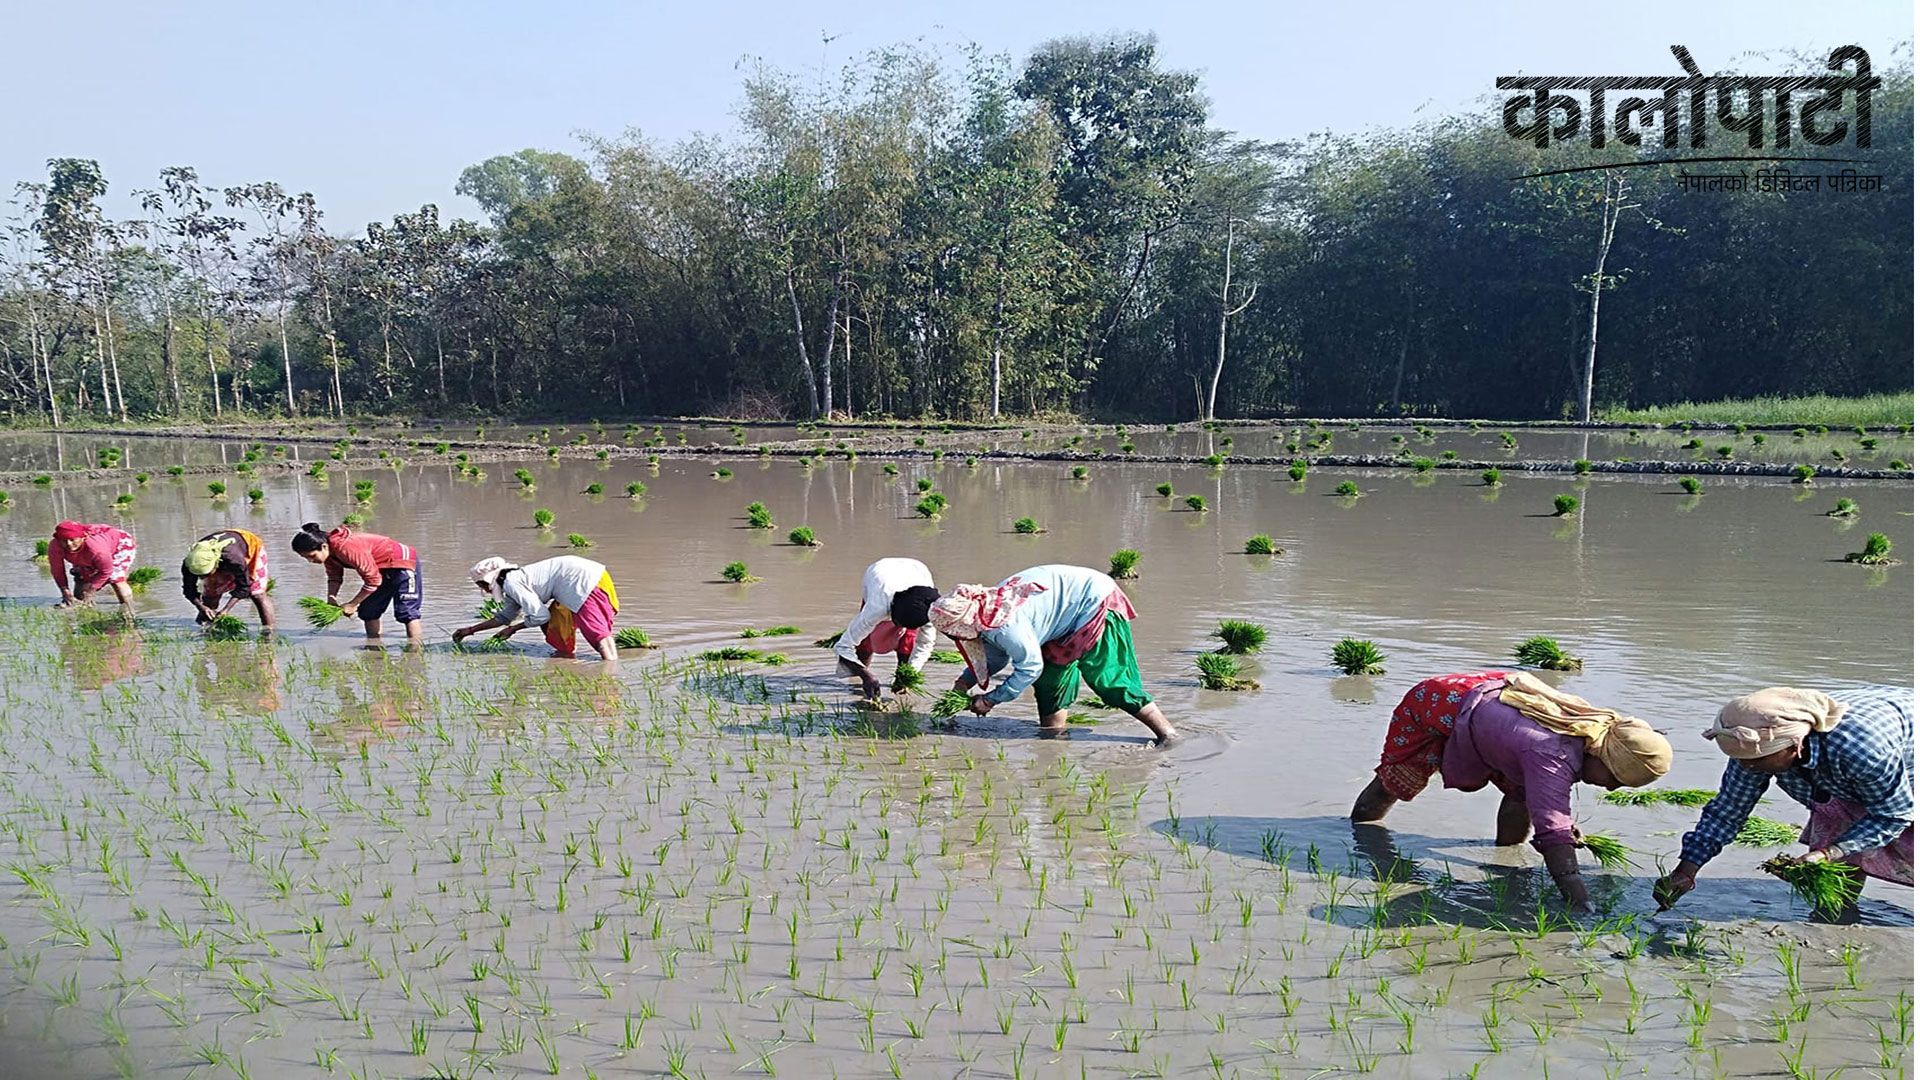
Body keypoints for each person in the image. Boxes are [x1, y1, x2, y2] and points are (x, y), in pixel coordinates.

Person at [1350, 670, 1673, 911]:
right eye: (1615, 778)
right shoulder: (1552, 754)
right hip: (1437, 703)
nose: (1612, 787)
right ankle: (1362, 837)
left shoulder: (1594, 729)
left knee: (1522, 793)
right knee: (1398, 779)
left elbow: (1545, 803)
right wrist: (1578, 899)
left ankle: (1505, 861)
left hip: (1496, 706)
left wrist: (1555, 827)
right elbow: (1552, 830)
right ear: (1602, 755)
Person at [1654, 685, 1914, 914]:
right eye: (1740, 761)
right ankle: (1836, 912)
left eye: (1756, 761)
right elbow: (1728, 810)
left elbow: (1893, 814)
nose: (1746, 768)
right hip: (1858, 766)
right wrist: (1686, 870)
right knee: (1838, 821)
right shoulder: (1753, 751)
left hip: (1905, 753)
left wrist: (1828, 853)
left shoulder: (1862, 750)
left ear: (1795, 746)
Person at [927, 564, 1176, 746]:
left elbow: (1029, 667)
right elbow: (995, 659)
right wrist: (963, 684)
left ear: (964, 623)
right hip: (1063, 613)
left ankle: (1168, 734)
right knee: (1049, 679)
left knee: (1109, 680)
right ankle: (1053, 739)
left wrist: (991, 699)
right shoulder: (984, 614)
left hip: (1092, 601)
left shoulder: (1003, 625)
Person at [454, 555, 621, 662]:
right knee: (558, 626)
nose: (485, 590)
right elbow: (504, 617)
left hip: (581, 581)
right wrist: (470, 630)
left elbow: (541, 616)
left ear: (489, 580)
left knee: (594, 631)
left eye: (482, 585)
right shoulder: (512, 580)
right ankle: (569, 657)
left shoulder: (512, 582)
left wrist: (514, 629)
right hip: (591, 575)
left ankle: (610, 671)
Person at [290, 522, 422, 645]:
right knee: (368, 611)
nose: (310, 561)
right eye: (306, 558)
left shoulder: (346, 547)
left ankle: (414, 651)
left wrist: (353, 604)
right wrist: (331, 598)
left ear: (323, 546)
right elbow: (334, 577)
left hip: (402, 562)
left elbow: (373, 580)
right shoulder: (329, 555)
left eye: (312, 556)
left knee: (406, 612)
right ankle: (374, 647)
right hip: (380, 568)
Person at [834, 557, 940, 699]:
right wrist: (866, 676)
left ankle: (900, 683)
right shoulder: (877, 607)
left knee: (908, 641)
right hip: (880, 572)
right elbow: (843, 646)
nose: (898, 630)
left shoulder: (931, 611)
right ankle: (860, 681)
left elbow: (925, 644)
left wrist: (909, 672)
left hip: (917, 571)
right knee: (865, 641)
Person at [182, 528, 275, 632]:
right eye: (199, 576)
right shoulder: (190, 563)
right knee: (210, 594)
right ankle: (206, 628)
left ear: (215, 565)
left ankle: (268, 632)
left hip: (250, 548)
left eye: (206, 574)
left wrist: (226, 609)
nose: (202, 578)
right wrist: (201, 607)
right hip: (222, 558)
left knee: (257, 593)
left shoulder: (234, 559)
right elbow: (188, 590)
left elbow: (244, 587)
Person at [48, 521, 137, 613]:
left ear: (83, 538)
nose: (69, 544)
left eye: (72, 540)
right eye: (64, 540)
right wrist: (65, 591)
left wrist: (91, 590)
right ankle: (81, 607)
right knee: (81, 577)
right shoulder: (55, 546)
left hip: (119, 544)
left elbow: (106, 571)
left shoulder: (97, 550)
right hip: (86, 553)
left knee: (115, 578)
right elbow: (57, 570)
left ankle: (127, 608)